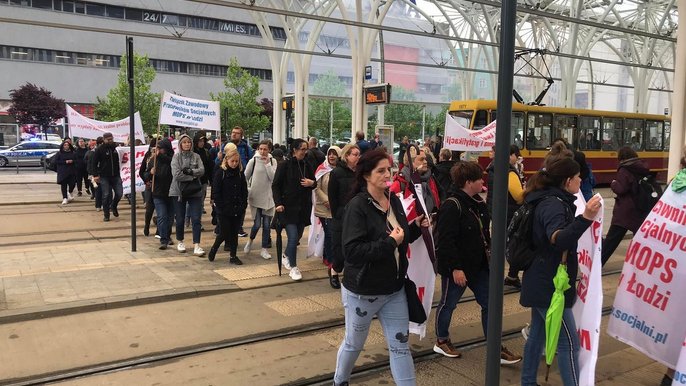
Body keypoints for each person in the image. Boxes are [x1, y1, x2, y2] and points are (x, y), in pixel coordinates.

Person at [333, 149, 429, 386]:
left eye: (389, 169)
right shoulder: (357, 206)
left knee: (400, 347)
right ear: (366, 175)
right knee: (354, 343)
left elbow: (401, 236)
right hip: (362, 292)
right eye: (381, 170)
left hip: (394, 290)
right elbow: (353, 253)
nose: (388, 174)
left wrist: (415, 227)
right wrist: (390, 242)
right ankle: (340, 381)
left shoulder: (392, 199)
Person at [520, 157, 602, 386]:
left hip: (543, 279)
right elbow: (558, 239)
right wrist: (585, 218)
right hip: (549, 285)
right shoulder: (553, 204)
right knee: (568, 342)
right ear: (567, 181)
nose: (580, 180)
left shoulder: (551, 199)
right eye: (577, 177)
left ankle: (527, 382)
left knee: (537, 334)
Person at [433, 161, 522, 364]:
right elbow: (446, 241)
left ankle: (495, 347)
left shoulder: (478, 203)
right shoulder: (452, 205)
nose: (483, 181)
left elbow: (484, 234)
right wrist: (455, 268)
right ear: (467, 182)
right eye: (479, 179)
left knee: (490, 304)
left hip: (480, 266)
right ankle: (442, 340)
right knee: (448, 304)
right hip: (459, 268)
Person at [272, 138, 316, 281]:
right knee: (292, 237)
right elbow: (276, 185)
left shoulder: (308, 165)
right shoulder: (284, 165)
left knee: (297, 237)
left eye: (306, 149)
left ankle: (286, 255)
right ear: (294, 150)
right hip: (288, 207)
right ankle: (294, 267)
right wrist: (278, 203)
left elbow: (315, 182)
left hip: (303, 207)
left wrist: (312, 183)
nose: (305, 151)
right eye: (302, 149)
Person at [601, 146, 651, 266]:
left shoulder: (625, 169)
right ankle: (640, 265)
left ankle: (597, 264)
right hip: (639, 209)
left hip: (625, 211)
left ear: (622, 158)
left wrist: (613, 183)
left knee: (611, 240)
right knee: (639, 241)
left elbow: (621, 188)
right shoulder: (642, 166)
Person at [486, 145, 525, 288]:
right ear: (510, 156)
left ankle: (497, 275)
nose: (518, 158)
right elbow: (519, 197)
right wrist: (527, 191)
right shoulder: (508, 171)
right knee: (514, 246)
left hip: (496, 210)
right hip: (509, 213)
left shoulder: (493, 167)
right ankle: (511, 276)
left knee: (499, 244)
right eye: (517, 156)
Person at [208, 144, 248, 264]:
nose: (234, 163)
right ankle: (214, 248)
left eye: (236, 161)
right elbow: (216, 191)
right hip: (224, 208)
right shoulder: (221, 172)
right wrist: (220, 206)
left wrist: (243, 205)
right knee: (224, 232)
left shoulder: (240, 173)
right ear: (227, 160)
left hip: (237, 207)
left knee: (234, 232)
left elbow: (244, 190)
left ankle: (233, 255)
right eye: (232, 161)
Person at [328, 143, 361, 278]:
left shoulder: (359, 173)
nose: (358, 157)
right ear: (347, 156)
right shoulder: (336, 173)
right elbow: (332, 197)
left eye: (359, 155)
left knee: (352, 247)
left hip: (356, 215)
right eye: (355, 155)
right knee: (339, 248)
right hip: (341, 216)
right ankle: (334, 271)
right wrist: (337, 213)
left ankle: (349, 274)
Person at [169, 134, 206, 256]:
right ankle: (180, 241)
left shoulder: (196, 156)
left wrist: (191, 171)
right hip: (179, 191)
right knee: (180, 218)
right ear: (180, 144)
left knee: (196, 218)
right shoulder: (176, 157)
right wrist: (193, 176)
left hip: (195, 191)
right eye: (184, 142)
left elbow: (202, 170)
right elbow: (177, 175)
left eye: (188, 142)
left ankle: (197, 244)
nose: (187, 144)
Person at [243, 140, 277, 260]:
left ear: (269, 150)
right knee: (257, 224)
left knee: (267, 225)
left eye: (265, 149)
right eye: (260, 149)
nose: (262, 151)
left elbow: (273, 177)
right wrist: (248, 189)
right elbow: (245, 176)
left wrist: (267, 165)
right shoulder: (254, 160)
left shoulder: (273, 161)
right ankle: (250, 241)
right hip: (256, 196)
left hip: (268, 197)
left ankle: (264, 249)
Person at [313, 146, 341, 288]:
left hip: (338, 209)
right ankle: (332, 266)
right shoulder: (322, 169)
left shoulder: (342, 170)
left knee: (332, 236)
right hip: (324, 208)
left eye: (334, 154)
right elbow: (316, 187)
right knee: (331, 235)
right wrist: (327, 201)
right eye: (330, 154)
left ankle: (328, 258)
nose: (331, 156)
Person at [390, 145, 440, 217]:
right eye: (421, 159)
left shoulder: (429, 178)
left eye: (425, 159)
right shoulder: (401, 182)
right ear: (411, 162)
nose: (425, 162)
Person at [144, 139, 174, 250]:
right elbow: (145, 174)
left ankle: (167, 235)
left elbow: (170, 162)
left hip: (171, 192)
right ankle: (163, 239)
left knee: (170, 218)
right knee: (162, 216)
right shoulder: (153, 160)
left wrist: (159, 156)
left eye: (160, 148)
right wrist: (150, 173)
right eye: (158, 148)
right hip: (158, 192)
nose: (158, 150)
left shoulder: (173, 158)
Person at [92, 132, 123, 222]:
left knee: (119, 193)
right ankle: (106, 214)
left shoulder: (116, 148)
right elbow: (94, 163)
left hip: (116, 175)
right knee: (106, 195)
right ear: (104, 139)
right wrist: (95, 175)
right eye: (108, 139)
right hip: (104, 176)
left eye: (111, 139)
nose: (110, 141)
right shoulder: (100, 149)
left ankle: (113, 205)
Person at [139, 138, 158, 236]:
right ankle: (147, 225)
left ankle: (159, 230)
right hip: (150, 186)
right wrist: (147, 180)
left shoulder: (166, 156)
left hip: (161, 187)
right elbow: (141, 172)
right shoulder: (147, 157)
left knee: (160, 210)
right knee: (149, 208)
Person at [54, 139, 77, 205]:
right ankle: (65, 198)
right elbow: (56, 161)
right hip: (63, 171)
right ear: (63, 146)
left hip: (72, 171)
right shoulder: (59, 153)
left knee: (72, 183)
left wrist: (72, 161)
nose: (66, 146)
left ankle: (70, 191)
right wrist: (65, 162)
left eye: (67, 145)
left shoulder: (73, 153)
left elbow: (77, 160)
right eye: (65, 145)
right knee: (64, 185)